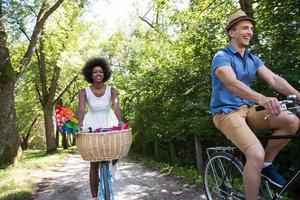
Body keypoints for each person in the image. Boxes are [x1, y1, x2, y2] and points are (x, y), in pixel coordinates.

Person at [210, 10, 300, 200]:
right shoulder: (221, 56)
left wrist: (299, 96)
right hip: (226, 113)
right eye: (244, 27)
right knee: (255, 153)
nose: (249, 31)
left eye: (251, 28)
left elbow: (274, 79)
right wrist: (261, 98)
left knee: (291, 121)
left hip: (247, 110)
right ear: (231, 32)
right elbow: (232, 83)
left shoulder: (252, 59)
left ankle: (266, 165)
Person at [78, 57, 123, 200]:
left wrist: (121, 122)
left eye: (101, 71)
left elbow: (116, 106)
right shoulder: (84, 92)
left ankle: (114, 165)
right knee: (94, 163)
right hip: (92, 122)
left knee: (117, 146)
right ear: (90, 74)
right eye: (95, 72)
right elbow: (80, 109)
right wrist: (79, 125)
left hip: (109, 119)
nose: (98, 74)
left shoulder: (112, 90)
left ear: (105, 74)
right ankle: (94, 197)